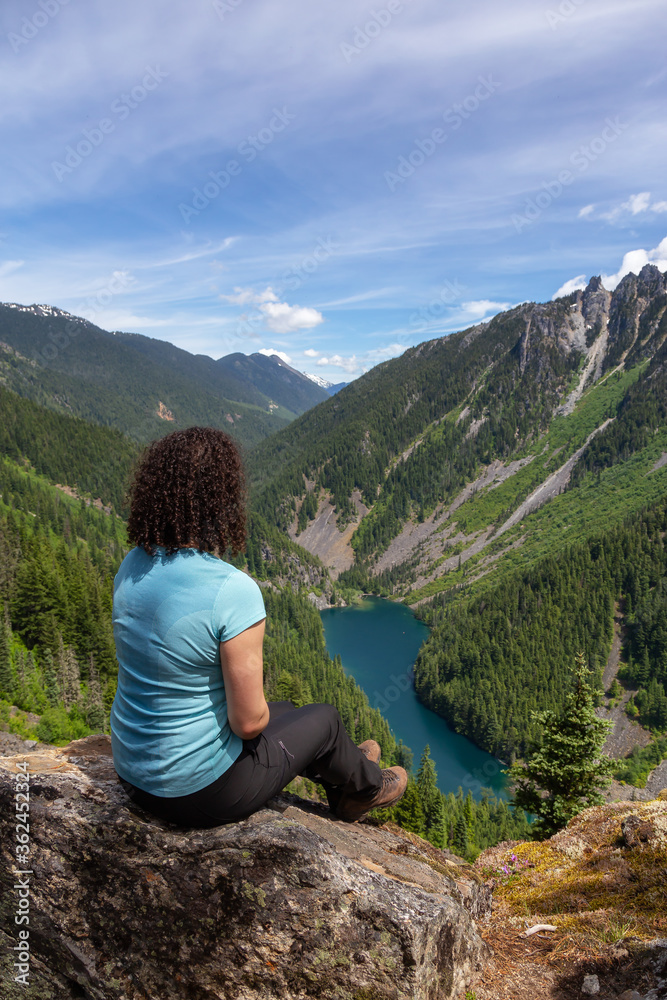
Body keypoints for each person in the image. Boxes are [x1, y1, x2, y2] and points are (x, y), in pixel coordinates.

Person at [110, 426, 407, 828]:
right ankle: (363, 790)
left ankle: (347, 767)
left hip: (132, 774)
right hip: (197, 793)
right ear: (222, 498)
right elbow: (248, 724)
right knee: (324, 719)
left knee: (287, 711)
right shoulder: (230, 589)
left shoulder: (132, 564)